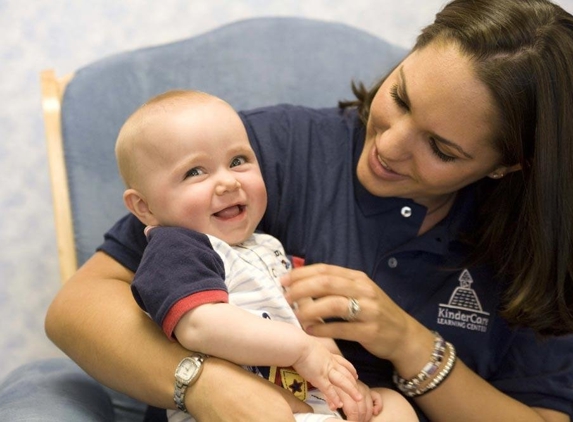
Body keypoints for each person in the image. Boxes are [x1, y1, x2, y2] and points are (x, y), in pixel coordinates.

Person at [37, 0, 573, 420]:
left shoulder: (540, 247)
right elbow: (78, 309)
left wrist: (410, 345)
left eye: (442, 149)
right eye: (402, 98)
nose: (388, 145)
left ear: (509, 166)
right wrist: (202, 383)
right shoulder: (261, 156)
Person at [114, 89, 417, 422]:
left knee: (392, 404)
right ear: (144, 208)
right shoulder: (175, 248)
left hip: (306, 400)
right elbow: (199, 325)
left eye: (238, 161)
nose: (227, 182)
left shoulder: (267, 246)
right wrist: (300, 349)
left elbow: (309, 326)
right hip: (237, 408)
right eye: (195, 173)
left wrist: (344, 381)